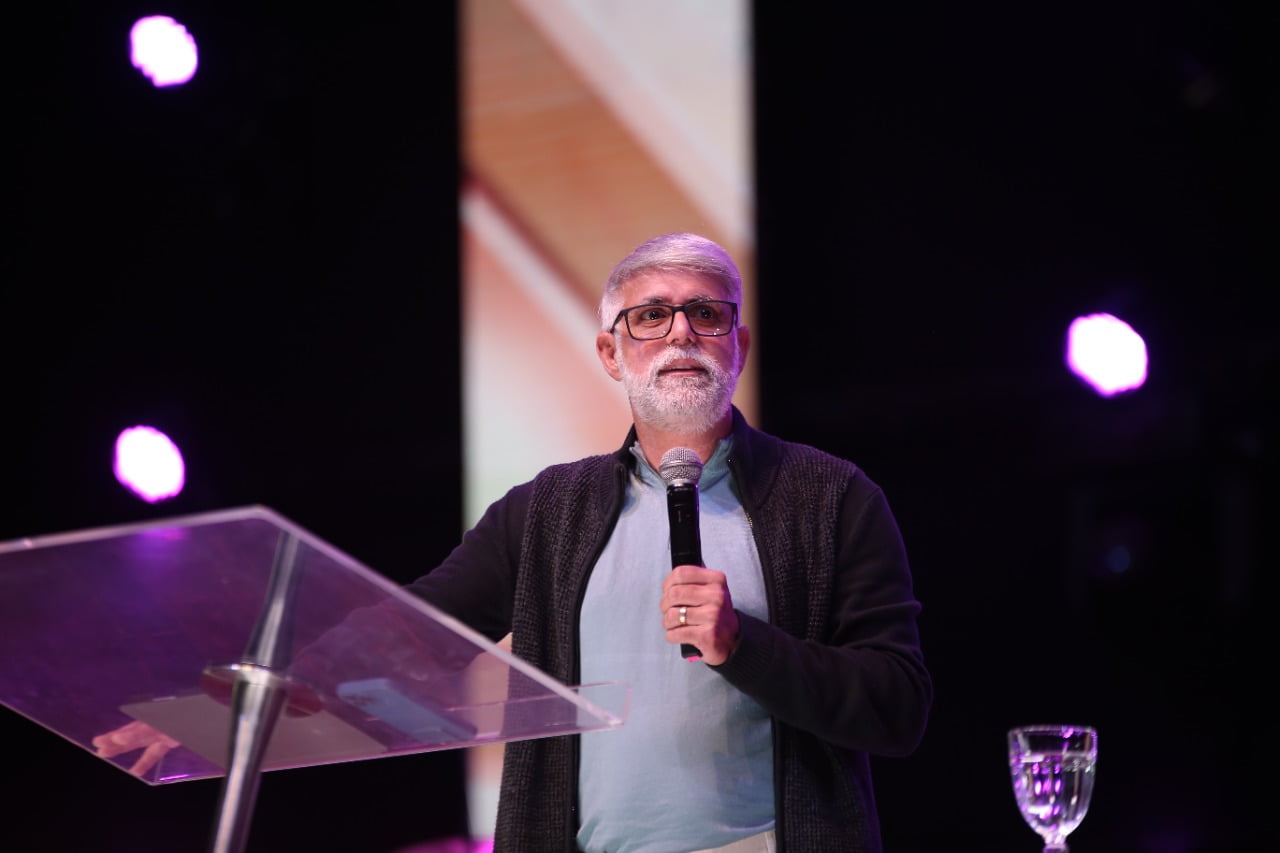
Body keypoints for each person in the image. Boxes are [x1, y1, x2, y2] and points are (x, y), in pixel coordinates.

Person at [407, 232, 932, 853]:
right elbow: (414, 632)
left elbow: (899, 707)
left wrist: (743, 644)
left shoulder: (831, 496)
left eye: (705, 313)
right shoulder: (545, 511)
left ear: (738, 344)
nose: (680, 332)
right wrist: (301, 660)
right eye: (651, 315)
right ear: (611, 352)